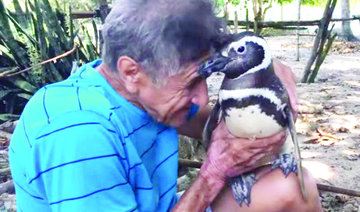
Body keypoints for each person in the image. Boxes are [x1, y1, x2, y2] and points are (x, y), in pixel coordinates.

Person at [9, 0, 322, 211]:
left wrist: (263, 70)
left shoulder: (138, 88)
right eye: (191, 83)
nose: (201, 99)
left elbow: (222, 127)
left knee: (294, 185)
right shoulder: (79, 133)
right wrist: (211, 175)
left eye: (205, 79)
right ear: (132, 71)